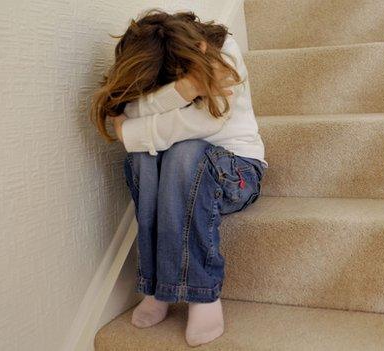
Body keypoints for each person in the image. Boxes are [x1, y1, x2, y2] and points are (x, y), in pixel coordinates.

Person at [89, 9, 267, 346]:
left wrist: (132, 131)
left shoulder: (222, 53)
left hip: (237, 173)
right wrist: (183, 91)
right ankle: (158, 288)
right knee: (145, 157)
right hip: (179, 176)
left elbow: (205, 123)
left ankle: (202, 294)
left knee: (185, 151)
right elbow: (126, 108)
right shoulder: (156, 57)